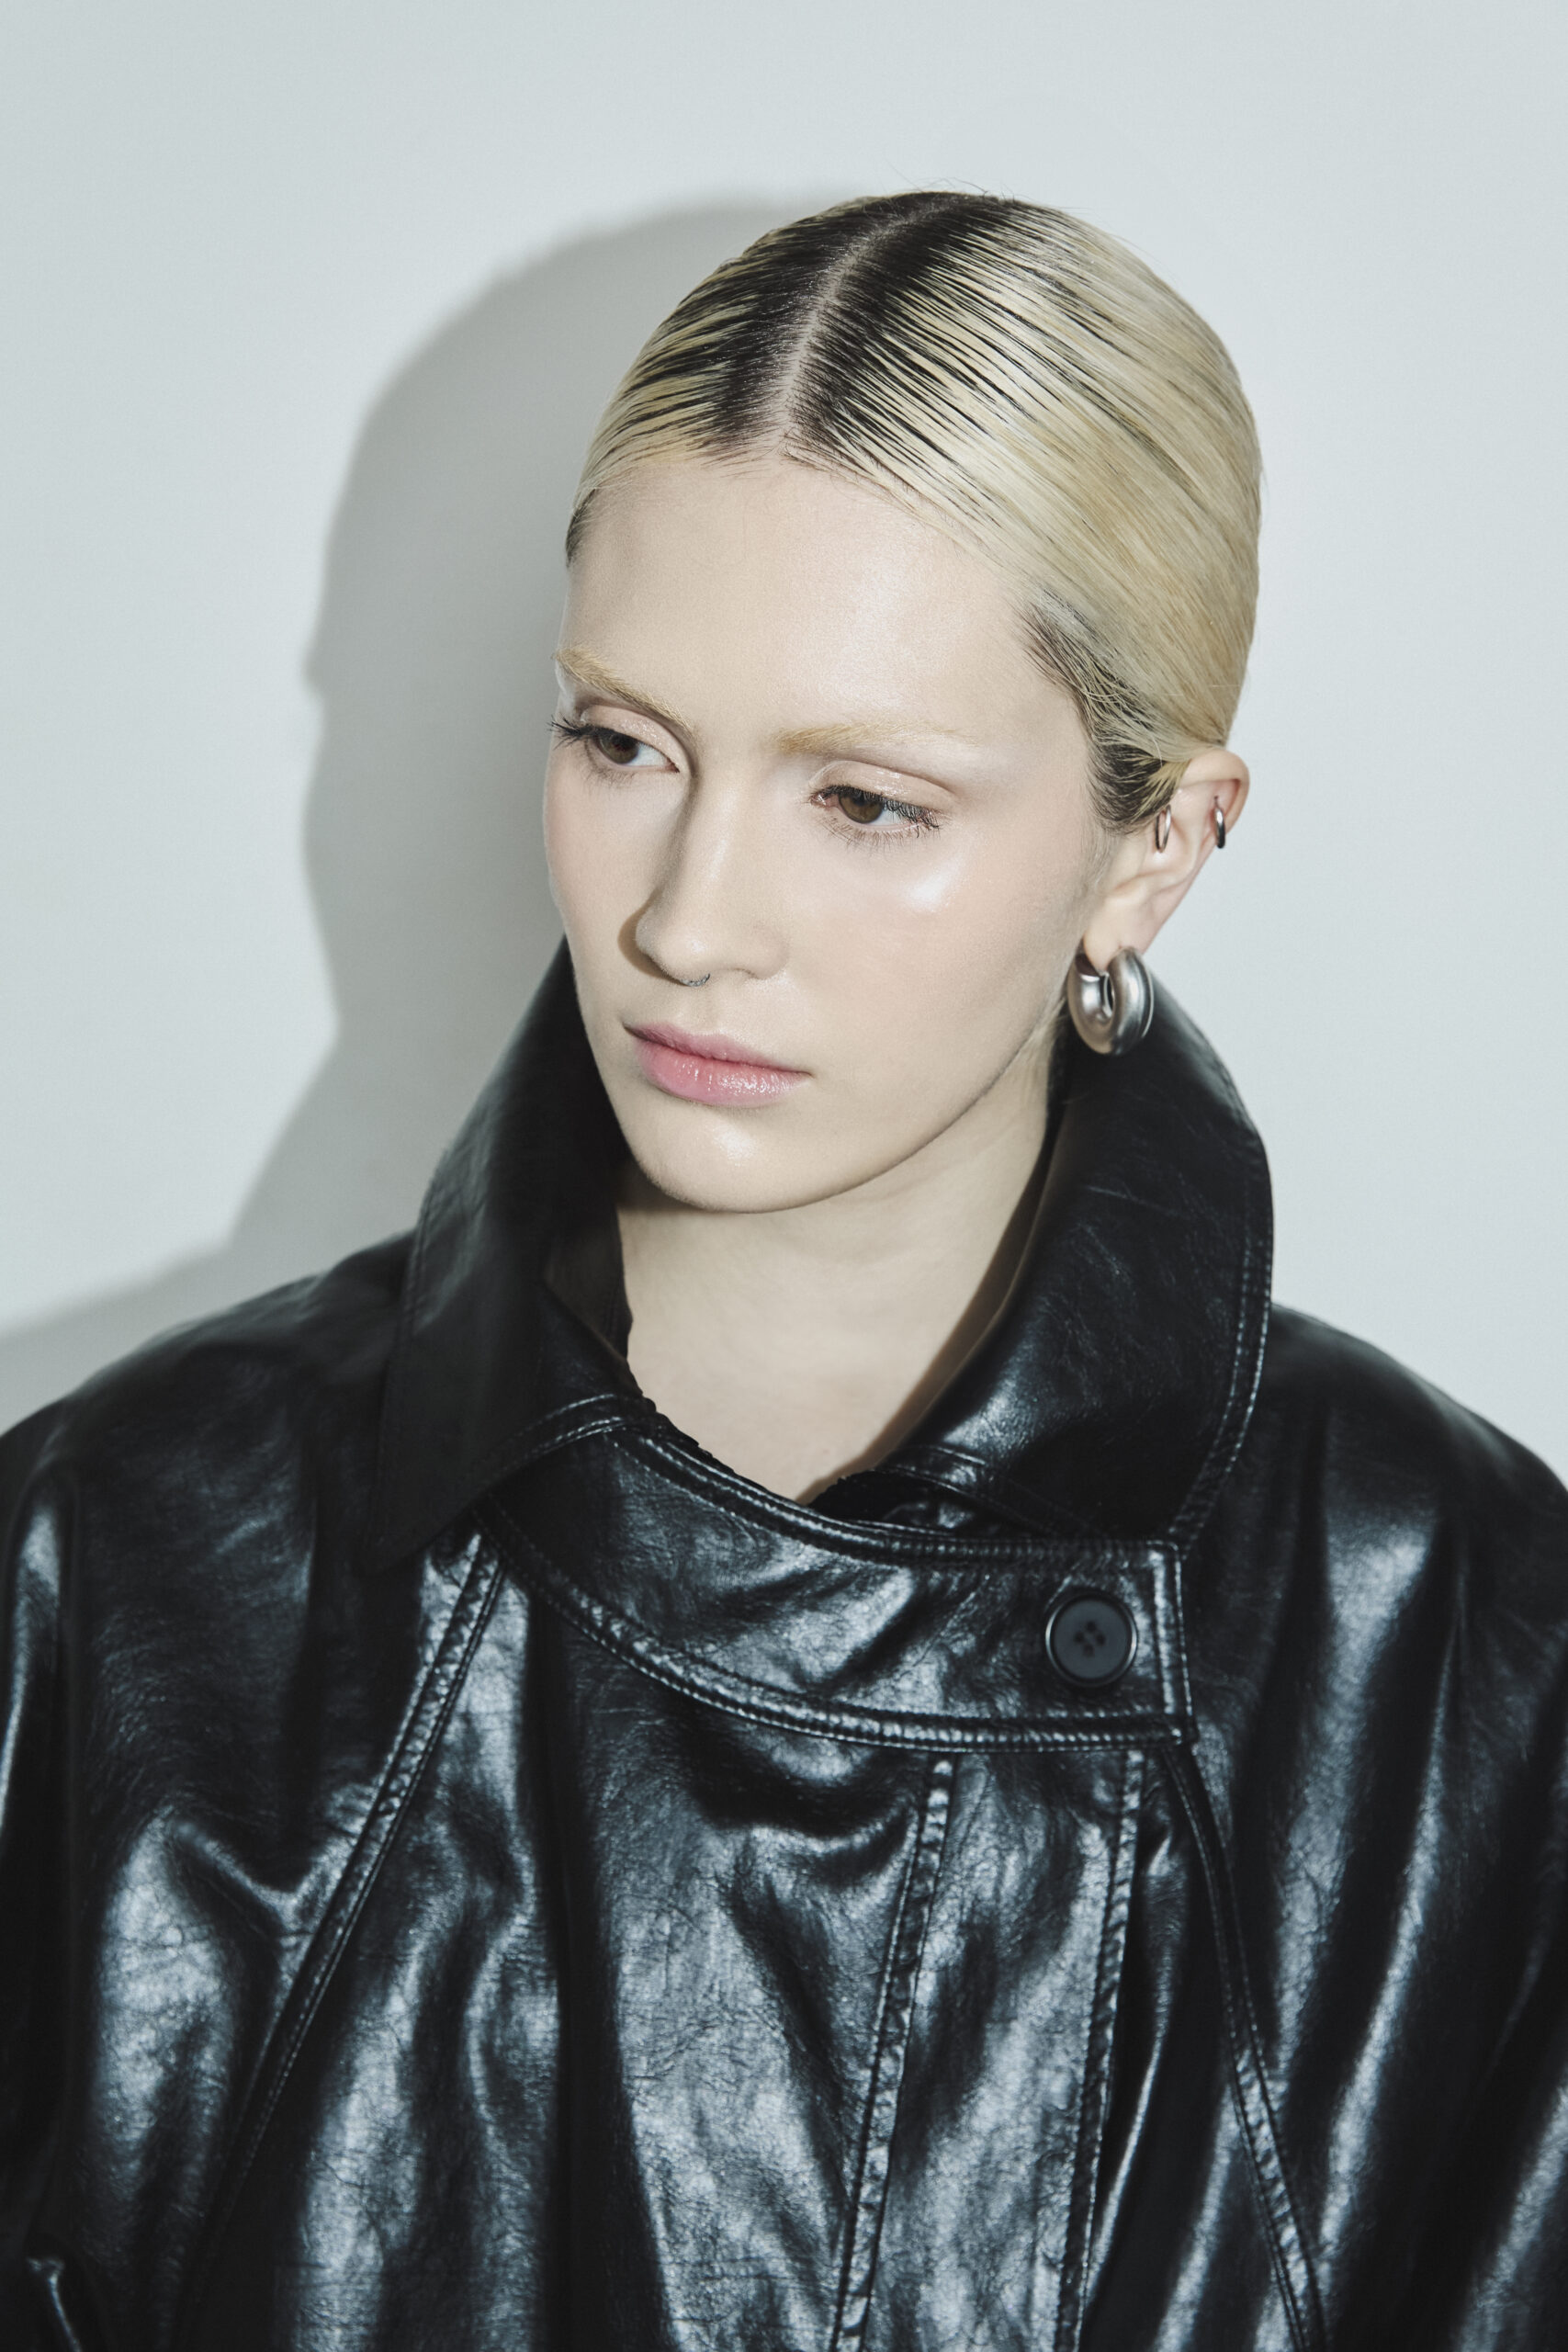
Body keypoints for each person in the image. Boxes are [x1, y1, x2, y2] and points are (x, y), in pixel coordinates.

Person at [2, 191, 1563, 2352]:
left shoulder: (1467, 1646)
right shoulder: (109, 1561)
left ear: (1155, 843)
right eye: (621, 743)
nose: (686, 918)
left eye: (863, 799)